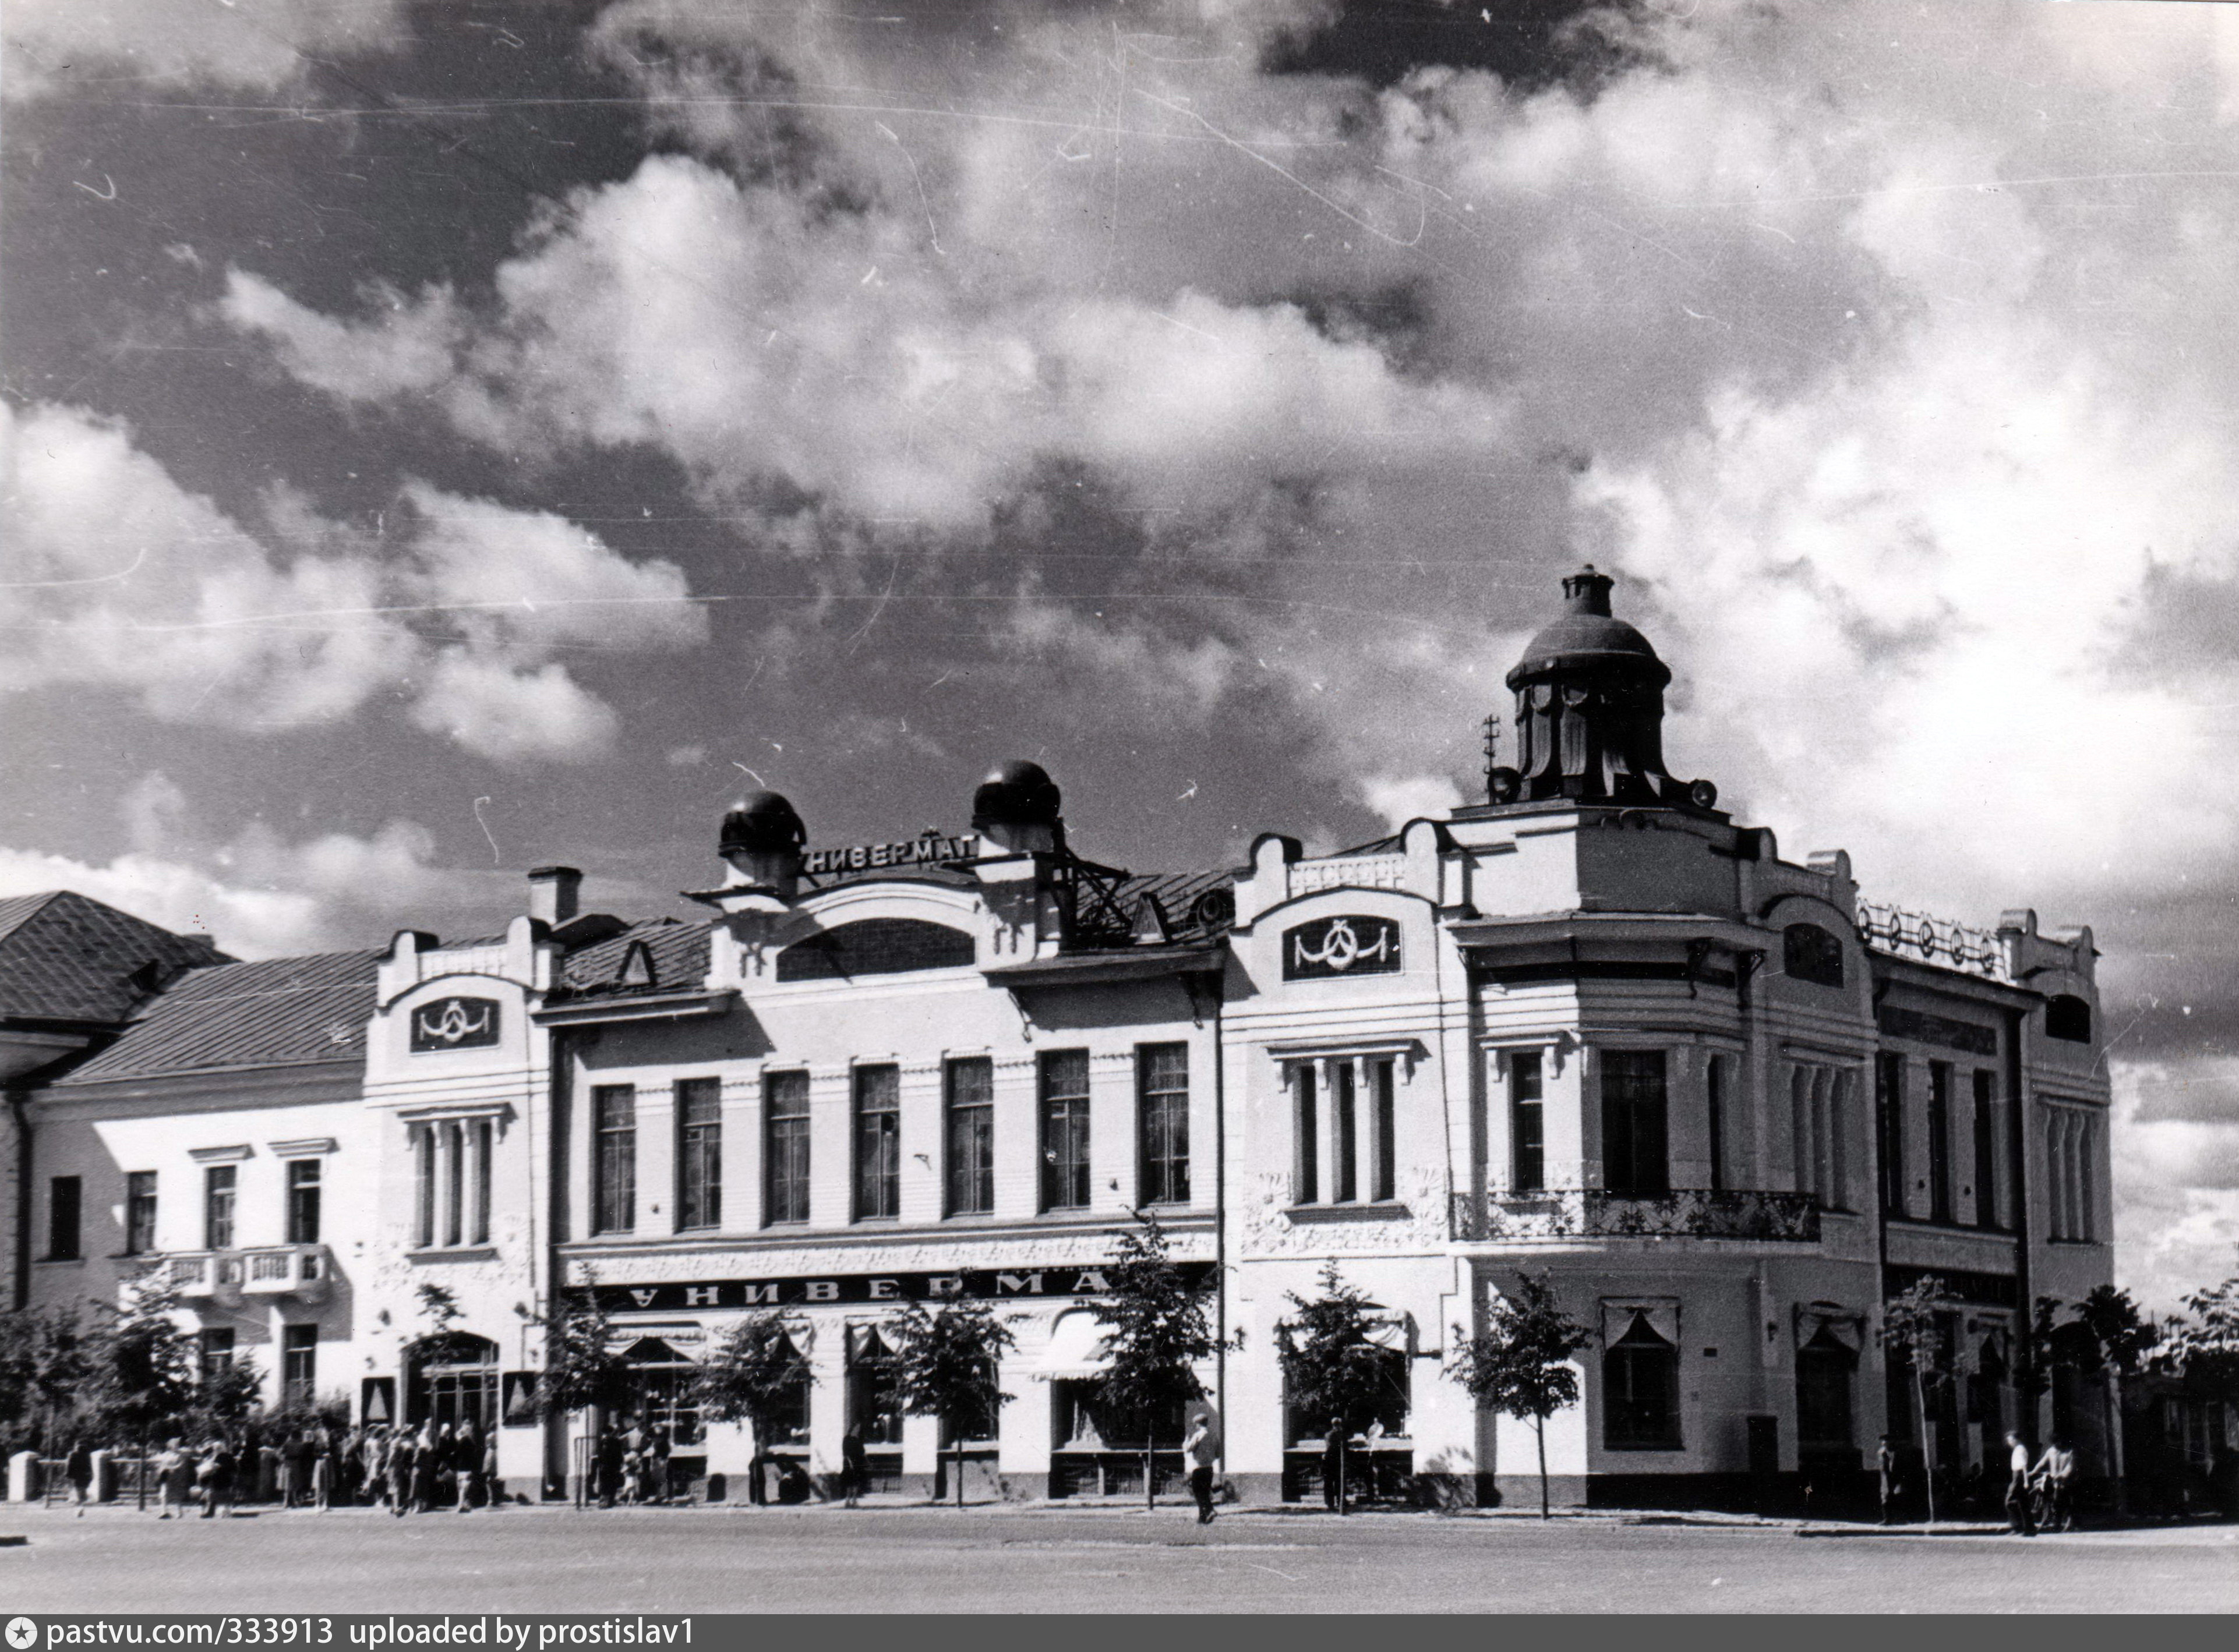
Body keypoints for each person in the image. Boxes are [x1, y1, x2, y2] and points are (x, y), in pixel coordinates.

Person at [1182, 1408, 1219, 1526]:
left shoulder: (1198, 1435)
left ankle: (1210, 1510)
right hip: (1210, 1467)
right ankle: (1202, 1518)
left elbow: (1188, 1449)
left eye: (1196, 1424)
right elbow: (1218, 1454)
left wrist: (1186, 1441)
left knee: (1198, 1492)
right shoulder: (1214, 1435)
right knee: (1205, 1492)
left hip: (1198, 1467)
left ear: (1198, 1424)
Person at [2004, 1431, 2036, 1536]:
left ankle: (2018, 1527)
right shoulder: (2018, 1450)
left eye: (2010, 1440)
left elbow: (2024, 1466)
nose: (2009, 1443)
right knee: (2023, 1503)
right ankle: (2029, 1529)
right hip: (2017, 1475)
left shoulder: (2020, 1450)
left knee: (2009, 1501)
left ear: (2015, 1439)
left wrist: (2026, 1481)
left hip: (2019, 1477)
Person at [156, 1437, 189, 1520]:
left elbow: (181, 1465)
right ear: (170, 1446)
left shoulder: (181, 1454)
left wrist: (172, 1468)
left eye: (177, 1445)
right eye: (175, 1445)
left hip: (176, 1475)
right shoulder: (166, 1455)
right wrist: (162, 1468)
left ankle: (179, 1512)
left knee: (177, 1494)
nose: (176, 1446)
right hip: (166, 1476)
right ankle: (164, 1512)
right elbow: (160, 1463)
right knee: (164, 1493)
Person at [387, 1427, 415, 1517]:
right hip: (395, 1467)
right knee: (396, 1488)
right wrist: (387, 1466)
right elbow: (392, 1456)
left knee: (393, 1486)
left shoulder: (398, 1443)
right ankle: (396, 1508)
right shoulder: (397, 1443)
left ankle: (392, 1507)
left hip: (396, 1467)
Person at [1322, 1413, 1347, 1513]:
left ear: (1332, 1425)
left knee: (1328, 1483)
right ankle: (1340, 1501)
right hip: (1339, 1461)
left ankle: (1330, 1504)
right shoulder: (1343, 1435)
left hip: (1329, 1461)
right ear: (1340, 1424)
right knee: (1339, 1482)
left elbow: (1329, 1447)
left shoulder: (1328, 1435)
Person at [65, 1438, 94, 1516]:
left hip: (75, 1477)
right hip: (84, 1477)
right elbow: (90, 1467)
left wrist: (68, 1475)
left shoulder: (72, 1454)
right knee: (82, 1494)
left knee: (76, 1494)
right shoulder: (87, 1455)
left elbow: (69, 1466)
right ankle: (80, 1508)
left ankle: (79, 1510)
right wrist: (91, 1476)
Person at [840, 1428, 867, 1509]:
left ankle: (854, 1500)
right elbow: (845, 1452)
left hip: (858, 1463)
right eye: (855, 1430)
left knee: (856, 1482)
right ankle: (848, 1500)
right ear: (851, 1431)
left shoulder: (858, 1440)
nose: (857, 1432)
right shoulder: (846, 1439)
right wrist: (850, 1463)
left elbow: (862, 1451)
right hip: (849, 1463)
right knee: (849, 1482)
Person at [1877, 1435, 1899, 1525]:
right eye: (1883, 1441)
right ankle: (1887, 1519)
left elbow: (1892, 1465)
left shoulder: (1893, 1452)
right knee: (1885, 1497)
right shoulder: (1882, 1452)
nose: (1884, 1443)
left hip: (1891, 1476)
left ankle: (1890, 1519)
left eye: (1886, 1441)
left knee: (1889, 1497)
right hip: (1885, 1477)